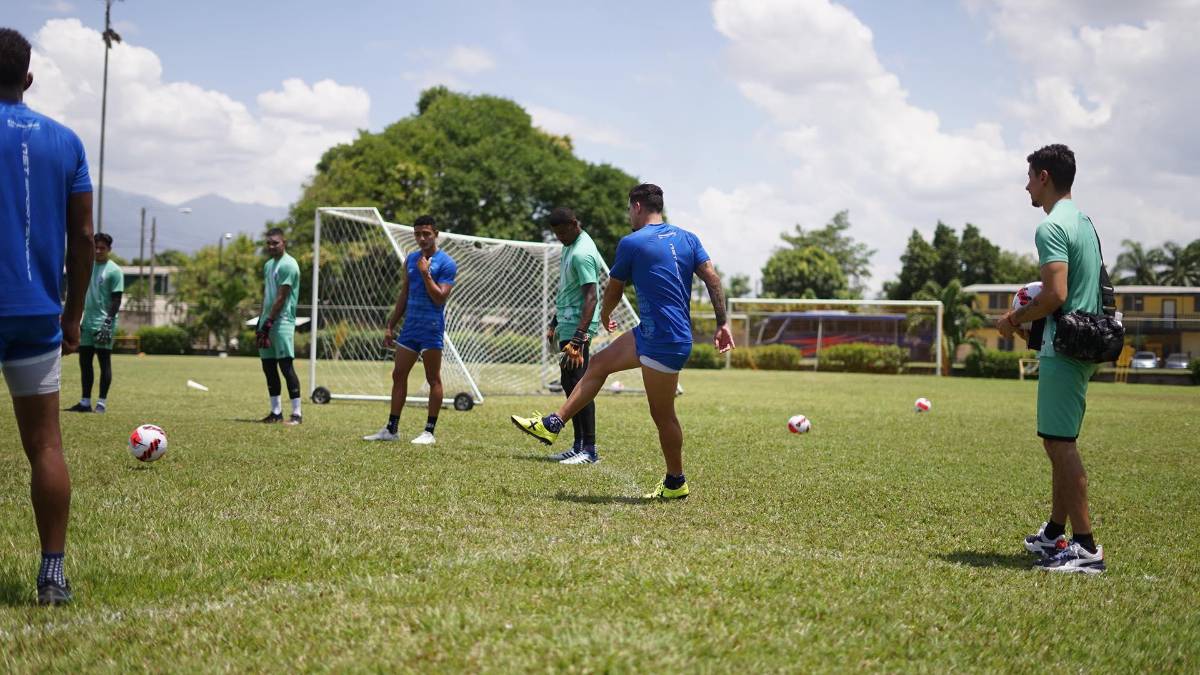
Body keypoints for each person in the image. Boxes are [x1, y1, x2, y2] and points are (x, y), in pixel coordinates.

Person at [511, 184, 734, 499]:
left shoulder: (632, 242)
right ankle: (554, 422)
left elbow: (613, 288)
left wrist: (605, 314)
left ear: (638, 206)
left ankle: (675, 482)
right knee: (599, 364)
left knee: (663, 414)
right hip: (653, 332)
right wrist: (722, 322)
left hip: (663, 339)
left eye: (630, 208)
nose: (629, 214)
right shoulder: (688, 238)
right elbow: (712, 278)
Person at [0, 27, 94, 605]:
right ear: (28, 78)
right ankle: (52, 573)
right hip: (37, 311)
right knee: (46, 446)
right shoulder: (66, 140)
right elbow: (83, 238)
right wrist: (73, 315)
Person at [997, 144, 1106, 574]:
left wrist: (1013, 318)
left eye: (1028, 177)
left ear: (1044, 176)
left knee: (1061, 444)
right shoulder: (1083, 221)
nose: (1026, 185)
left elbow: (1057, 295)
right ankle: (1054, 533)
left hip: (1065, 346)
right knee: (1055, 440)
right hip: (1084, 342)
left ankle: (1085, 549)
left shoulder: (1050, 228)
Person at [363, 215, 457, 444]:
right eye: (417, 234)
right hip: (410, 328)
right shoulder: (411, 260)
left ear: (436, 234)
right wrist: (390, 325)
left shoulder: (447, 263)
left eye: (426, 233)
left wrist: (426, 273)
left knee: (433, 378)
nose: (422, 238)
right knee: (398, 374)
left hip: (431, 328)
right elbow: (404, 294)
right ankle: (392, 429)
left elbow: (440, 298)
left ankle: (429, 432)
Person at [545, 207, 603, 465]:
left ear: (573, 224)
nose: (559, 237)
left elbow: (592, 296)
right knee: (570, 383)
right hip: (567, 324)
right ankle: (578, 445)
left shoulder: (582, 253)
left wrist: (579, 338)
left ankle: (589, 450)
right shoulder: (569, 245)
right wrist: (554, 321)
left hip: (579, 329)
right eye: (555, 233)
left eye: (561, 232)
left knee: (581, 387)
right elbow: (568, 290)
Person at [66, 232, 122, 414]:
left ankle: (102, 404)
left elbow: (116, 300)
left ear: (109, 250)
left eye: (102, 248)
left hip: (104, 323)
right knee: (84, 361)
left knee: (104, 362)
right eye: (95, 247)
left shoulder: (114, 270)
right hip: (87, 322)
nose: (98, 250)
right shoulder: (87, 267)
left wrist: (108, 322)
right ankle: (84, 402)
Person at [257, 227, 302, 425]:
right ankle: (276, 412)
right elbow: (267, 295)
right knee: (268, 367)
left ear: (284, 242)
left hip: (282, 322)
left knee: (286, 366)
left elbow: (282, 297)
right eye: (269, 243)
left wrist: (269, 322)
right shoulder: (268, 265)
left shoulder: (289, 265)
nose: (271, 246)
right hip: (266, 322)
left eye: (275, 242)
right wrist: (261, 322)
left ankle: (297, 414)